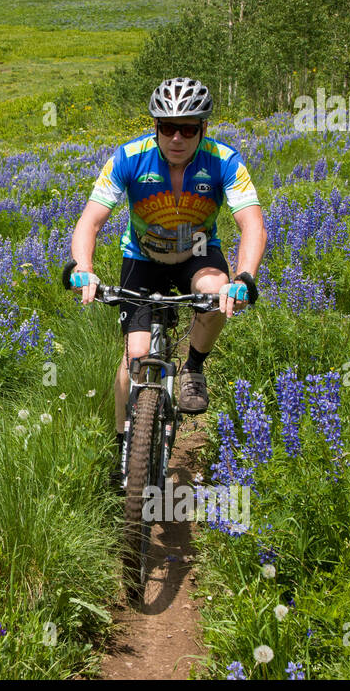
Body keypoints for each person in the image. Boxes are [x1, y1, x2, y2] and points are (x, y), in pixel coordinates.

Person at [68, 76, 268, 445]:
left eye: (188, 129)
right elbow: (90, 220)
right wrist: (84, 268)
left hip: (197, 254)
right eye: (168, 127)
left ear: (203, 128)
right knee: (136, 357)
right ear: (155, 126)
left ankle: (193, 367)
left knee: (216, 293)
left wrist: (244, 277)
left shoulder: (225, 160)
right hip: (142, 257)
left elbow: (252, 224)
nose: (177, 138)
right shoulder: (128, 157)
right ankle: (123, 446)